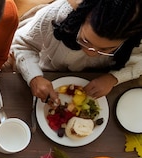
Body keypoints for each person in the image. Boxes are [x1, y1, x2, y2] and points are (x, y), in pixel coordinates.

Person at [11, 0, 142, 102]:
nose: (91, 53)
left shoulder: (134, 39)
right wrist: (34, 77)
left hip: (96, 81)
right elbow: (21, 44)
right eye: (85, 41)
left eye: (105, 49)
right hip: (47, 69)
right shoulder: (56, 17)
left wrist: (113, 78)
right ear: (81, 19)